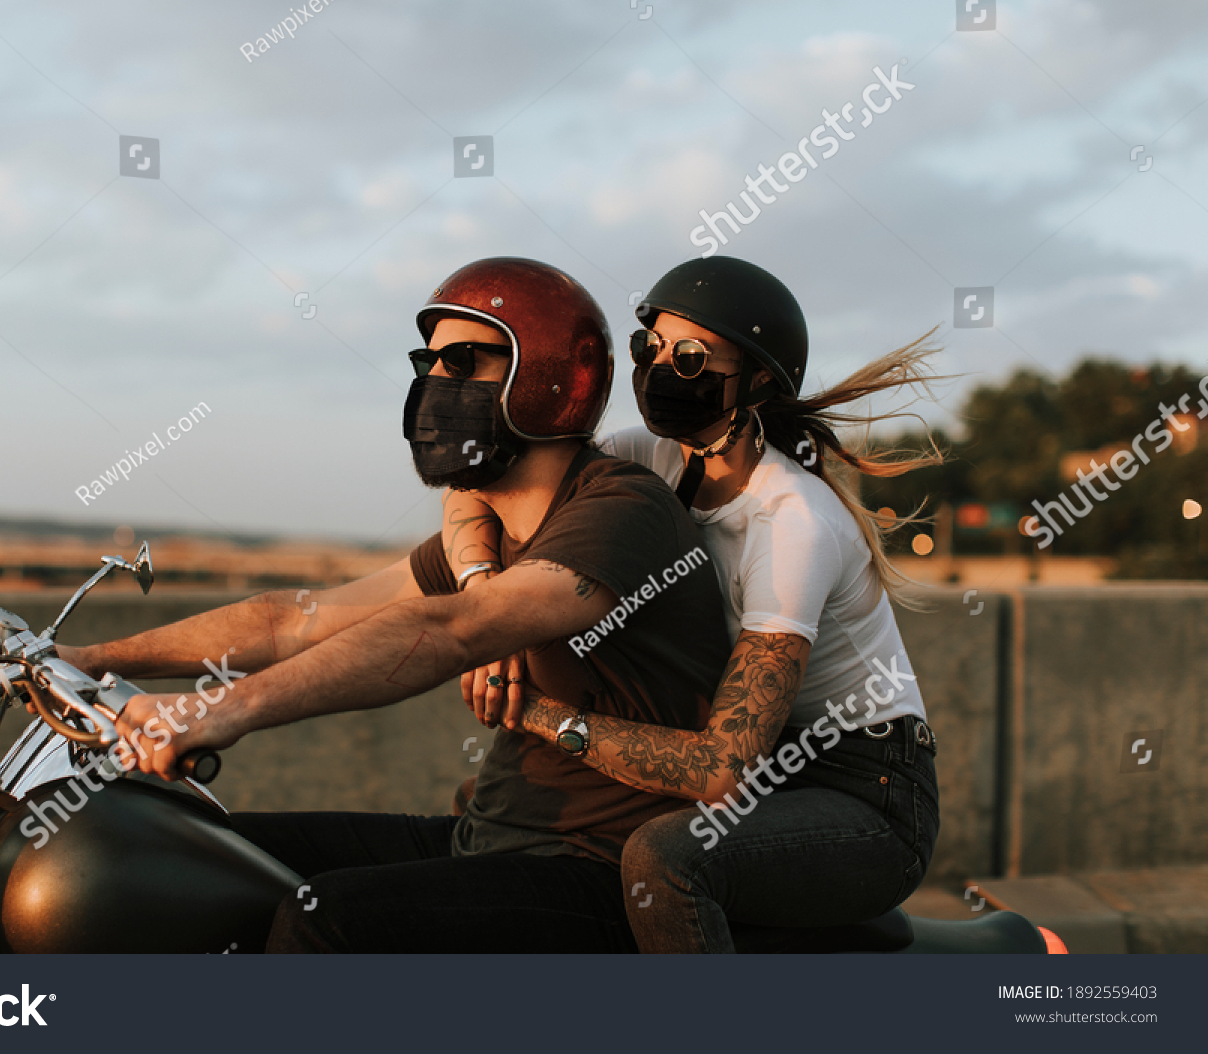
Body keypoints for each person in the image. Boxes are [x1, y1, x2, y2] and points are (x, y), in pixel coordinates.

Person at [57, 256, 734, 952]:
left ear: (547, 373)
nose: (433, 383)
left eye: (463, 361)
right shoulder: (490, 534)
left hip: (595, 872)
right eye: (427, 362)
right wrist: (81, 659)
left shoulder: (621, 508)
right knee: (190, 852)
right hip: (482, 838)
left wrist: (214, 712)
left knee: (325, 919)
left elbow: (455, 631)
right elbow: (296, 617)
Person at [444, 255, 944, 953]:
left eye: (690, 357)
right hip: (773, 766)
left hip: (865, 789)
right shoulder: (649, 457)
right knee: (496, 809)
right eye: (649, 348)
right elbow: (483, 470)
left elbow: (720, 768)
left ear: (760, 378)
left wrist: (545, 718)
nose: (658, 369)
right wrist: (484, 599)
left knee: (666, 860)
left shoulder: (791, 519)